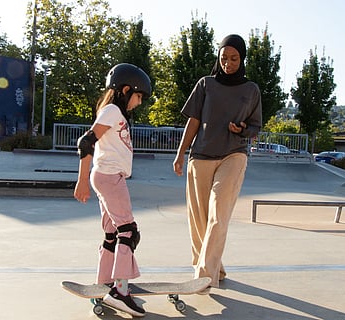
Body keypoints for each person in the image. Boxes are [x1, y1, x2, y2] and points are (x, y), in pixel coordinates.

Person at [173, 34, 262, 291]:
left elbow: (255, 127)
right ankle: (215, 267)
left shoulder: (251, 90)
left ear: (242, 59)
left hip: (233, 154)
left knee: (218, 215)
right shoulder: (205, 84)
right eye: (224, 58)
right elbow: (193, 121)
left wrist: (242, 128)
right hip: (200, 156)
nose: (228, 63)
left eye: (234, 59)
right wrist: (180, 154)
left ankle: (204, 276)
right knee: (199, 220)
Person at [74, 63, 151, 317]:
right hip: (109, 178)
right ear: (126, 90)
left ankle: (104, 283)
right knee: (128, 231)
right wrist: (81, 180)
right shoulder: (111, 110)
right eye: (138, 96)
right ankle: (119, 291)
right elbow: (86, 142)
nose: (138, 103)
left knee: (111, 233)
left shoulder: (115, 114)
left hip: (106, 177)